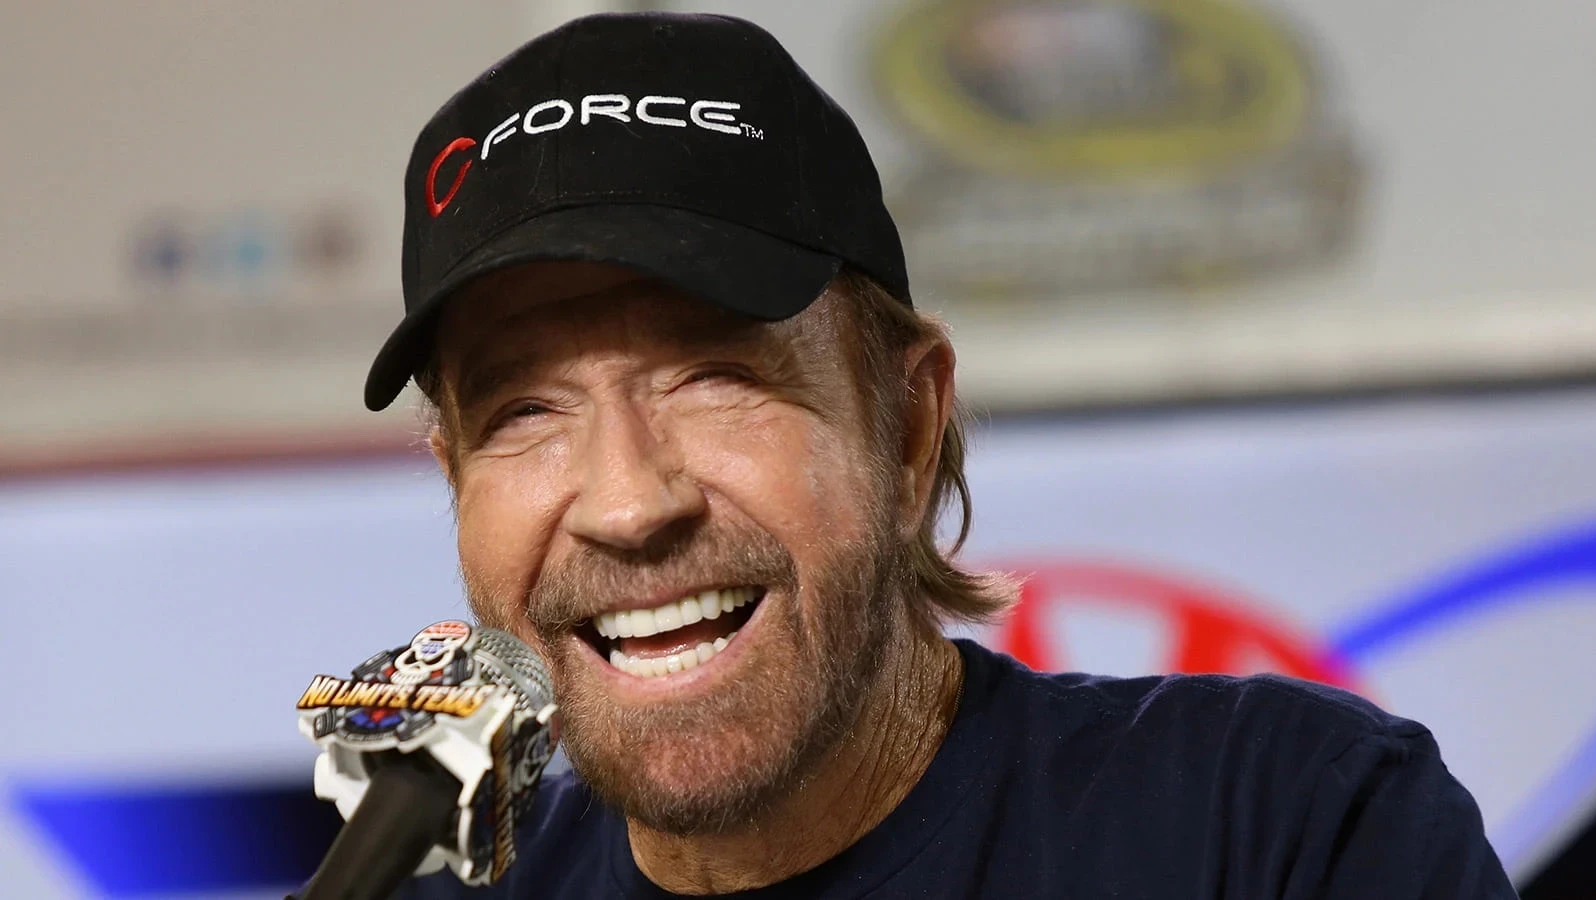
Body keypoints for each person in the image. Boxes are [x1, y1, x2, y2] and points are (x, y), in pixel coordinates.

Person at [361, 12, 1517, 898]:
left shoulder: (1278, 829)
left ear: (908, 427)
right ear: (455, 480)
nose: (625, 501)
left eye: (714, 376)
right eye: (523, 411)